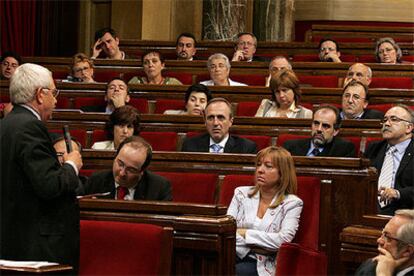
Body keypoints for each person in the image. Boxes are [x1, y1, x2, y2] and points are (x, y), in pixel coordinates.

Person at [0, 63, 83, 269]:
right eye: (54, 93)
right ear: (39, 94)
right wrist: (72, 164)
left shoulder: (5, 125)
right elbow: (49, 185)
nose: (55, 100)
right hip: (34, 247)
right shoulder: (30, 127)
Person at [227, 146, 303, 276]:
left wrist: (245, 233)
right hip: (233, 254)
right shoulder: (241, 193)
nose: (260, 170)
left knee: (236, 272)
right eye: (258, 165)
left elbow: (282, 241)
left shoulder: (292, 203)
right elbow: (227, 231)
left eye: (268, 166)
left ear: (282, 173)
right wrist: (255, 249)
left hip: (265, 264)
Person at [84, 136, 172, 201]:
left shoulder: (159, 187)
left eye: (131, 170)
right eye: (120, 164)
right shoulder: (96, 181)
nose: (122, 173)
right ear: (115, 157)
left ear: (142, 171)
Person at [364, 104, 413, 215]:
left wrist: (398, 193)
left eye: (394, 119)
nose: (386, 123)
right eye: (385, 120)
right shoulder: (374, 148)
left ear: (409, 128)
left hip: (405, 212)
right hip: (371, 209)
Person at [181, 98, 257, 153]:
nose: (215, 123)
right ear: (205, 121)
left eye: (221, 118)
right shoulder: (190, 146)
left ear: (230, 121)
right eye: (211, 118)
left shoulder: (246, 148)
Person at [355, 209, 414, 276]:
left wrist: (383, 274)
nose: (379, 240)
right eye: (383, 233)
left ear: (408, 251)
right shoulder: (370, 267)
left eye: (388, 237)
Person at [283, 105, 356, 157]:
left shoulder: (344, 150)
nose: (319, 129)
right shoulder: (290, 148)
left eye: (325, 126)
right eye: (316, 123)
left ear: (335, 131)